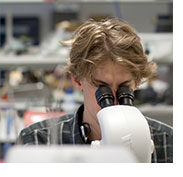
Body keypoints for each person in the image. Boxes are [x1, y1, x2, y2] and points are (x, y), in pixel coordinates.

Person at [16, 18, 173, 163]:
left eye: (124, 87)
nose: (114, 99)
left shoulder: (169, 142)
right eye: (101, 87)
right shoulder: (38, 142)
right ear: (77, 80)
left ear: (137, 82)